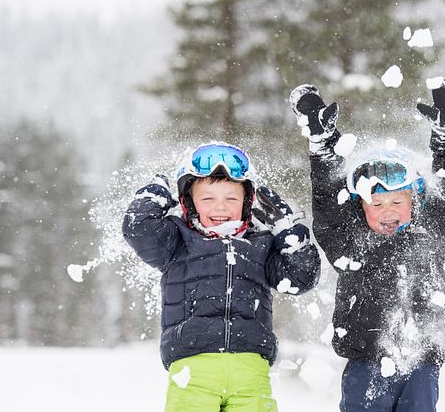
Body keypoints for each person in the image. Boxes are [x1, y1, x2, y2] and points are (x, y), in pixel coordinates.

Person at [289, 78, 445, 411]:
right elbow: (328, 200)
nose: (387, 212)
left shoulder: (437, 237)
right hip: (366, 360)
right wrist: (323, 144)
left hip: (422, 362)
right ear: (361, 208)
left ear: (415, 201)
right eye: (376, 205)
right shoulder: (350, 243)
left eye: (396, 203)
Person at [122, 142, 321, 412]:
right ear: (188, 202)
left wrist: (289, 232)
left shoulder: (261, 243)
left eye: (231, 198)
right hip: (192, 369)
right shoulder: (176, 240)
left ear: (247, 202)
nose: (221, 207)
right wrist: (154, 197)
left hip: (251, 371)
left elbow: (301, 279)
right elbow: (138, 229)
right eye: (207, 198)